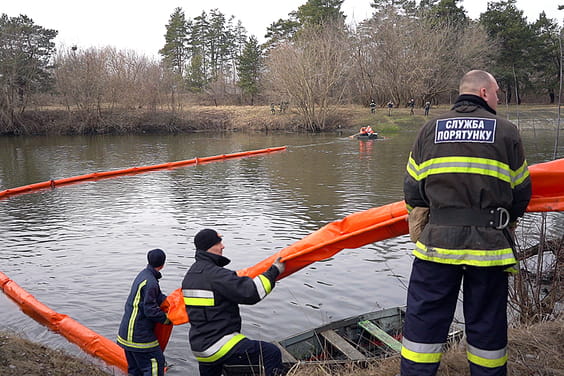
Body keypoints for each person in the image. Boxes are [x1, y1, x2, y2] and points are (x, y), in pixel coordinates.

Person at [401, 70, 532, 376]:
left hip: (436, 244)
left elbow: (412, 190)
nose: (499, 98)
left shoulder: (429, 129)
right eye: (497, 92)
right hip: (490, 247)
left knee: (423, 324)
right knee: (487, 326)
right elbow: (522, 192)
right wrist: (504, 222)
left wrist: (424, 226)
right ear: (484, 93)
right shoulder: (507, 131)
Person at [182, 229, 286, 376]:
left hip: (200, 348)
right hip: (219, 344)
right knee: (271, 352)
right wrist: (274, 271)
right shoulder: (216, 275)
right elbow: (252, 292)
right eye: (219, 243)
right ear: (209, 246)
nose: (223, 246)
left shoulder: (190, 276)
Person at [117, 249, 172, 376]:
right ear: (163, 264)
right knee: (155, 365)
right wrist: (167, 319)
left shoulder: (144, 275)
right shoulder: (151, 282)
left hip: (126, 334)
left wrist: (170, 302)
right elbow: (150, 310)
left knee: (135, 370)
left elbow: (156, 297)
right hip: (139, 337)